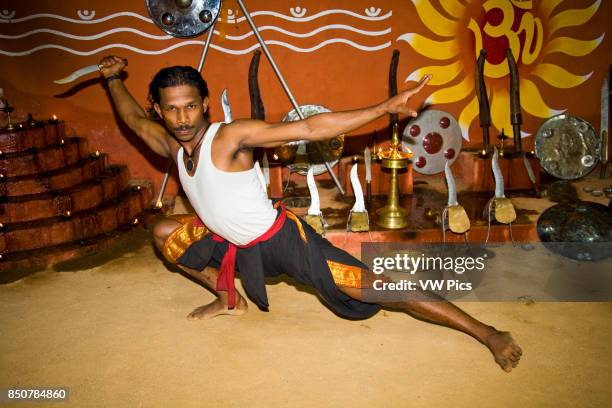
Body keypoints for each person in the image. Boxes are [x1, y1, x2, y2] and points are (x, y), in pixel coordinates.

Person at [99, 55, 522, 372]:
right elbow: (134, 120)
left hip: (281, 242)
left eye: (190, 106)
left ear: (205, 102)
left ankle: (487, 333)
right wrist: (113, 78)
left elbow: (310, 128)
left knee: (378, 287)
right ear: (159, 109)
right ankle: (228, 297)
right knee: (163, 232)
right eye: (171, 109)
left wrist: (382, 108)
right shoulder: (170, 144)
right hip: (226, 241)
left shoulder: (230, 137)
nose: (182, 117)